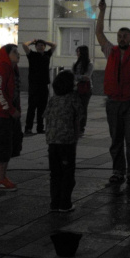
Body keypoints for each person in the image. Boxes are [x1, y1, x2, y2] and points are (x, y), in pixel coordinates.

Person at [96, 0, 130, 186]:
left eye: (125, 36)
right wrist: (102, 11)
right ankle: (118, 171)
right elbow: (99, 32)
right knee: (116, 139)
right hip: (113, 102)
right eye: (119, 36)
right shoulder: (110, 51)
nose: (121, 39)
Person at [43, 70, 83, 213]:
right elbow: (79, 116)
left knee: (55, 174)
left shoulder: (53, 99)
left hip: (52, 142)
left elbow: (46, 116)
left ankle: (54, 203)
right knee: (67, 174)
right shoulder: (73, 98)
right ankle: (65, 203)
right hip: (67, 142)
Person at [0, 44, 23, 192]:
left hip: (8, 114)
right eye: (14, 52)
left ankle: (2, 177)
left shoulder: (13, 70)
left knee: (8, 146)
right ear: (6, 55)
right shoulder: (2, 69)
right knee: (1, 146)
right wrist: (10, 109)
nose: (18, 54)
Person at [22, 38, 57, 135]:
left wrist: (45, 41)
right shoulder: (31, 55)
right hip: (34, 85)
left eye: (42, 45)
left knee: (42, 108)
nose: (40, 47)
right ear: (35, 47)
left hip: (44, 84)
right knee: (32, 107)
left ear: (45, 47)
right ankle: (28, 129)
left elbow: (54, 45)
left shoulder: (47, 54)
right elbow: (24, 44)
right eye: (38, 45)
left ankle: (40, 128)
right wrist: (32, 41)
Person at [72, 45, 94, 136]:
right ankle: (75, 127)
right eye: (77, 52)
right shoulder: (75, 63)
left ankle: (81, 128)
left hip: (85, 89)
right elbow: (73, 76)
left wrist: (77, 77)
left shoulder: (89, 64)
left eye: (79, 52)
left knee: (83, 109)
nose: (77, 54)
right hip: (75, 88)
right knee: (75, 109)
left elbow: (87, 77)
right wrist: (79, 77)